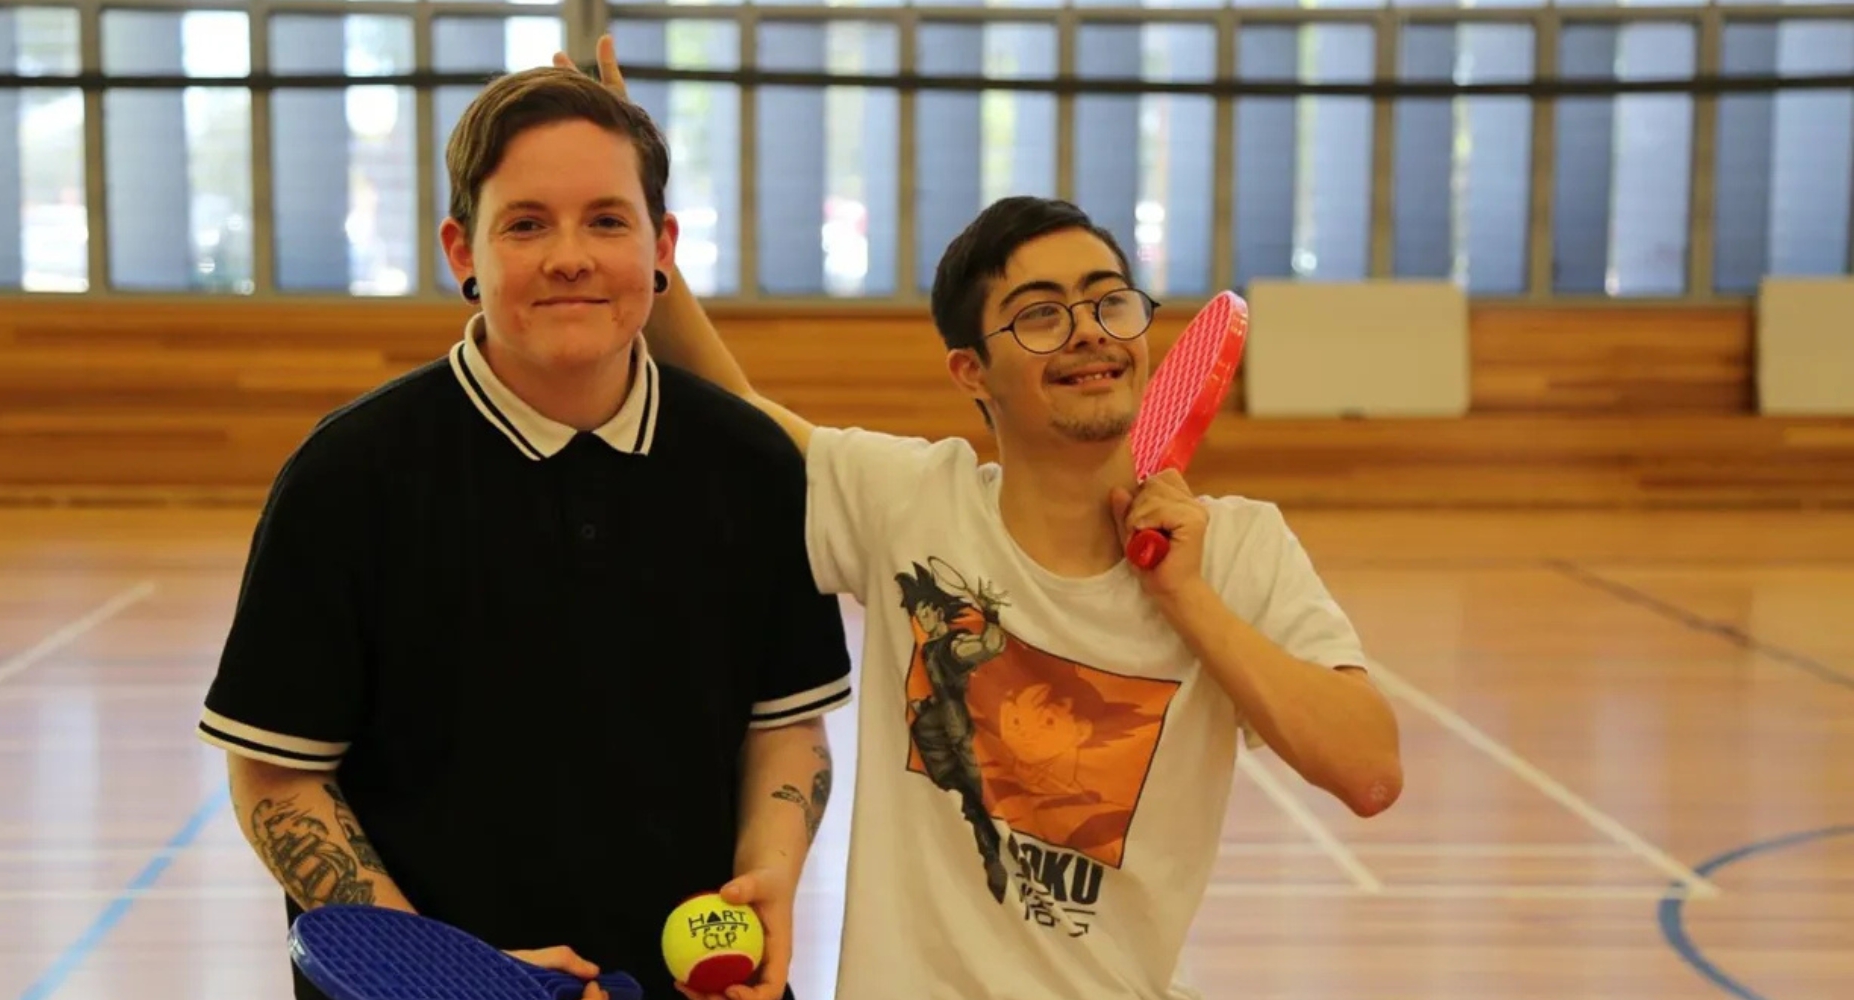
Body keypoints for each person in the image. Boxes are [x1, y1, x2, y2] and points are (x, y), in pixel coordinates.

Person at [559, 37, 1404, 1000]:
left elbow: (1369, 771)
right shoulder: (912, 501)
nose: (1087, 332)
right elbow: (736, 409)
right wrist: (634, 189)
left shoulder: (1239, 547)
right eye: (1040, 315)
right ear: (972, 372)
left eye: (1109, 302)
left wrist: (1188, 599)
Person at [193, 64, 851, 1000]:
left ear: (662, 246)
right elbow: (275, 776)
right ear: (462, 249)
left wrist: (770, 876)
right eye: (528, 224)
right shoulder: (348, 476)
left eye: (607, 221)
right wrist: (439, 978)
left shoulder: (751, 462)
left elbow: (786, 728)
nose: (570, 257)